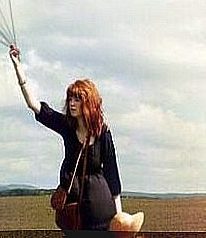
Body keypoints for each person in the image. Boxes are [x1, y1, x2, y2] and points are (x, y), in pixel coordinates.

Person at [9, 44, 122, 230]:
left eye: (77, 99)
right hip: (74, 212)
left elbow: (112, 174)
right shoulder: (67, 126)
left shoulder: (103, 132)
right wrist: (18, 69)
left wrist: (120, 219)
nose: (71, 103)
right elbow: (33, 105)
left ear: (88, 102)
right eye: (70, 99)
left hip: (101, 211)